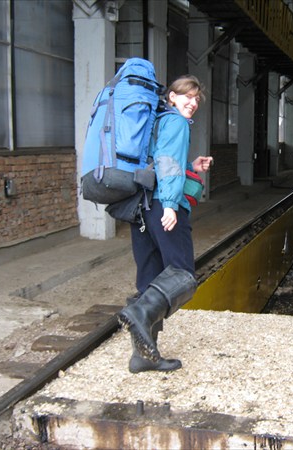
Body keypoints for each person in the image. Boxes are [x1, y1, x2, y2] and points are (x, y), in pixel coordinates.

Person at [118, 75, 213, 374]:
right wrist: (171, 205)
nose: (193, 103)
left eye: (196, 99)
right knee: (182, 274)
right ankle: (140, 313)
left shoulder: (155, 121)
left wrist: (191, 167)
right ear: (171, 96)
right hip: (163, 205)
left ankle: (144, 355)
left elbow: (159, 160)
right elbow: (169, 163)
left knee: (150, 278)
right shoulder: (176, 122)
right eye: (187, 96)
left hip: (142, 207)